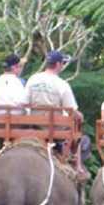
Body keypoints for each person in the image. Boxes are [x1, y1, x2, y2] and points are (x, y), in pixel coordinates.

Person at [25, 50, 91, 178]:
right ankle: (77, 167)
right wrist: (80, 116)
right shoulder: (62, 84)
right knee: (80, 136)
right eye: (62, 63)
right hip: (54, 127)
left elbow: (24, 102)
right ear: (58, 64)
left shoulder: (33, 79)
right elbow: (72, 111)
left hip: (33, 124)